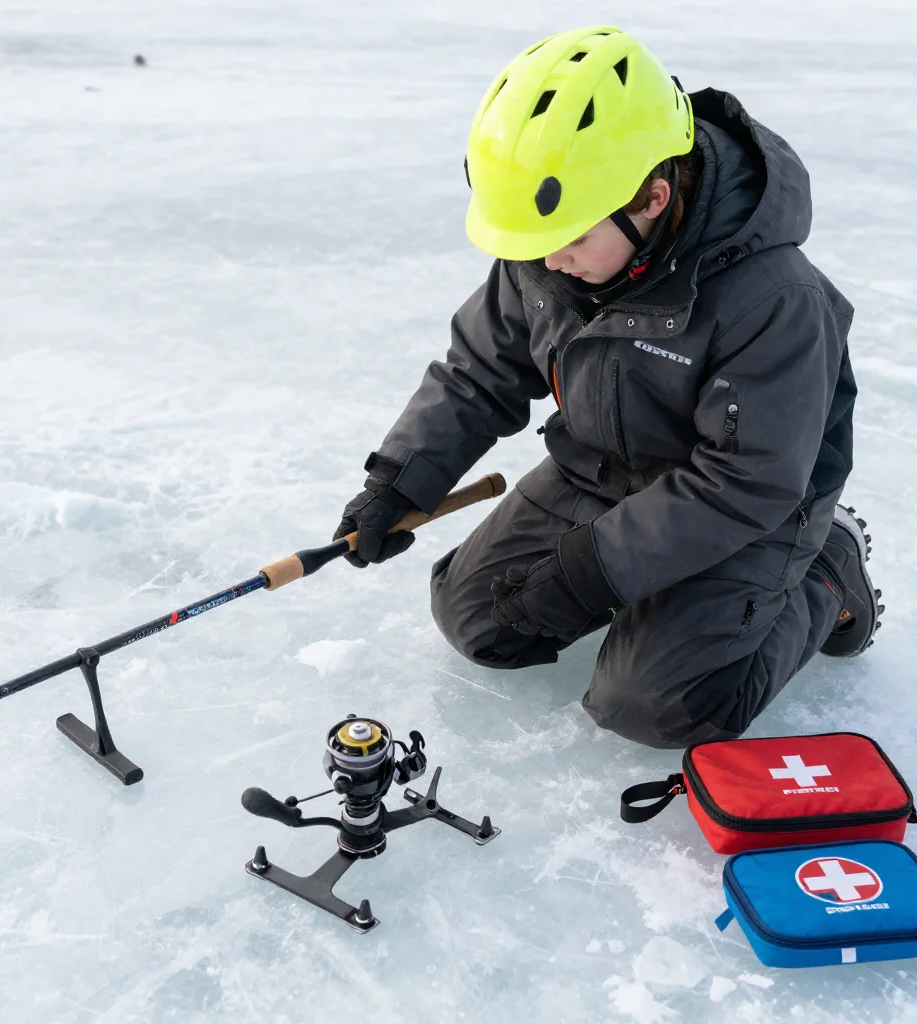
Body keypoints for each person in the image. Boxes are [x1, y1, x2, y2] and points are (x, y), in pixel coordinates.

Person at [333, 26, 882, 749]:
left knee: (656, 706)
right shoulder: (552, 252)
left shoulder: (771, 299)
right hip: (602, 466)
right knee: (476, 619)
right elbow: (479, 370)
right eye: (531, 243)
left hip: (754, 507)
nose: (548, 262)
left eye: (566, 239)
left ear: (653, 197)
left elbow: (747, 480)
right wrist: (402, 482)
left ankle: (827, 572)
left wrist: (592, 571)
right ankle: (664, 597)